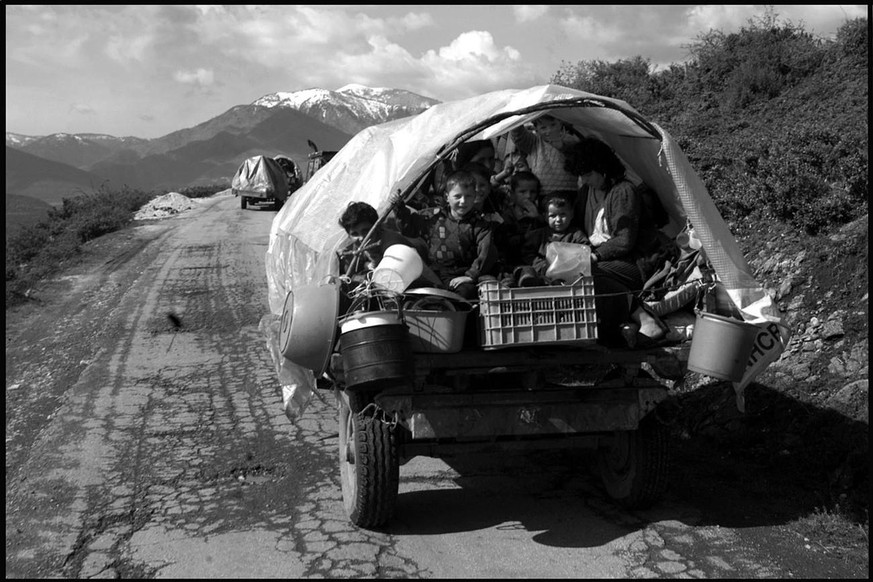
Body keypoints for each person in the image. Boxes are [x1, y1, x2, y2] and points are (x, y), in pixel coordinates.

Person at [563, 137, 669, 346]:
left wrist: (595, 255)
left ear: (602, 169)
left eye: (588, 174)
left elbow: (624, 240)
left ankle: (645, 319)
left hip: (635, 261)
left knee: (589, 275)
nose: (585, 180)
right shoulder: (587, 192)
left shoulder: (623, 192)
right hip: (606, 257)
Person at [393, 170, 497, 300]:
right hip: (434, 274)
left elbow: (486, 252)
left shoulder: (481, 225)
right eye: (457, 196)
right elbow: (409, 229)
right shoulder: (432, 217)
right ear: (446, 196)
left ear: (475, 196)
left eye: (468, 196)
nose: (463, 201)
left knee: (465, 294)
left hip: (462, 274)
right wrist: (400, 209)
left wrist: (470, 275)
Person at [336, 201, 440, 290]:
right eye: (354, 234)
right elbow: (350, 273)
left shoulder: (392, 243)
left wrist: (358, 277)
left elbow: (385, 280)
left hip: (422, 288)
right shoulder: (359, 245)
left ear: (377, 227)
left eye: (366, 231)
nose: (362, 238)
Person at [514, 191, 588, 287]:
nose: (558, 220)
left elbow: (585, 252)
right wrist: (543, 266)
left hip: (569, 277)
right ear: (545, 216)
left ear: (572, 214)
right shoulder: (538, 235)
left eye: (563, 215)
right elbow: (527, 253)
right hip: (542, 273)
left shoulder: (576, 235)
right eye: (552, 216)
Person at [509, 115, 580, 197]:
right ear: (536, 130)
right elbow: (517, 135)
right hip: (543, 193)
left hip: (569, 192)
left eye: (553, 125)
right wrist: (523, 113)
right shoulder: (535, 142)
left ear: (560, 123)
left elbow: (575, 155)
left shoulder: (570, 139)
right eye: (543, 128)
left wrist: (561, 146)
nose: (549, 130)